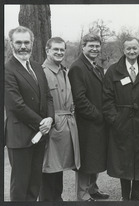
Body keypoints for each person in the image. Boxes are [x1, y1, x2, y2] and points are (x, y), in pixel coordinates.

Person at [102, 37, 139, 201]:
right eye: (128, 49)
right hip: (121, 122)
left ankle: (137, 194)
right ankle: (125, 195)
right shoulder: (113, 71)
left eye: (135, 48)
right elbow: (107, 99)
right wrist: (114, 119)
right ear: (123, 50)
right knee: (123, 158)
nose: (132, 52)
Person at [4, 26, 54, 201]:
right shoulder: (7, 70)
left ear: (32, 43)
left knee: (34, 184)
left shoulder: (37, 67)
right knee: (20, 187)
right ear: (11, 44)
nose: (23, 46)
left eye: (26, 42)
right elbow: (16, 105)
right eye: (19, 42)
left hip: (40, 135)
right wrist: (42, 123)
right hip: (20, 137)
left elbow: (48, 96)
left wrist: (50, 119)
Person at [68, 33, 109, 201]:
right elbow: (79, 99)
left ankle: (93, 189)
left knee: (96, 158)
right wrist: (98, 116)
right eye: (90, 46)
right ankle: (83, 194)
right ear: (83, 47)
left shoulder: (96, 67)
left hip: (98, 122)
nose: (94, 49)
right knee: (86, 160)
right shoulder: (77, 67)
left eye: (97, 46)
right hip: (87, 122)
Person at [39, 37, 81, 201]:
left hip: (66, 125)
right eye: (55, 49)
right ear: (47, 50)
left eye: (62, 50)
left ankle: (57, 199)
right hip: (51, 126)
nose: (59, 52)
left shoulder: (63, 70)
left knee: (58, 172)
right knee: (48, 170)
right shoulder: (42, 72)